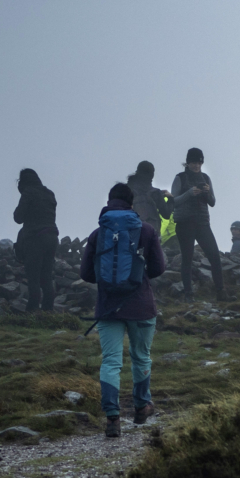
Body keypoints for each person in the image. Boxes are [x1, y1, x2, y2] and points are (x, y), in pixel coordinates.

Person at [79, 181, 168, 438]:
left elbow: (86, 274)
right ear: (131, 203)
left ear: (109, 202)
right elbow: (159, 268)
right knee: (141, 357)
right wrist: (137, 275)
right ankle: (141, 407)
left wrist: (109, 280)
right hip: (141, 306)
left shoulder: (98, 234)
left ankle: (112, 418)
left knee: (111, 361)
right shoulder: (146, 230)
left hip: (108, 308)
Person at [168, 147, 228, 302]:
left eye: (199, 163)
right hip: (184, 223)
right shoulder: (180, 178)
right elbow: (173, 202)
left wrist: (207, 193)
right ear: (188, 163)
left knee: (214, 257)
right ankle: (188, 295)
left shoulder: (206, 178)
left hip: (202, 223)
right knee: (187, 259)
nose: (196, 165)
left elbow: (212, 202)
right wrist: (189, 193)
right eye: (193, 162)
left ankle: (221, 292)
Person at [13, 167, 59, 312]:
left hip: (35, 238)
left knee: (33, 277)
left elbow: (18, 218)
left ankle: (31, 312)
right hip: (52, 237)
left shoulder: (29, 192)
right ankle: (48, 312)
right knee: (46, 276)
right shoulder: (50, 194)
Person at [127, 160, 175, 250]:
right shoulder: (155, 193)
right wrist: (170, 199)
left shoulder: (127, 190)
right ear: (152, 174)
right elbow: (166, 214)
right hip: (151, 232)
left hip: (131, 231)